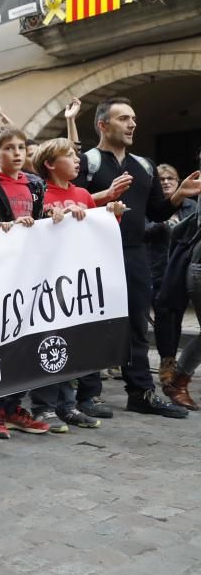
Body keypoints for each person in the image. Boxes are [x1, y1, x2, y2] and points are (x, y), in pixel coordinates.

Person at [71, 97, 201, 419]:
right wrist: (103, 199)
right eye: (124, 118)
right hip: (92, 256)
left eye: (134, 119)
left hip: (133, 254)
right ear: (103, 125)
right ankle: (89, 395)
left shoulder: (144, 165)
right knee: (94, 323)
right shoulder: (88, 162)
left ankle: (141, 393)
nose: (132, 124)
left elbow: (156, 211)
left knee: (137, 325)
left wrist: (178, 195)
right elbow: (70, 204)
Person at [0, 126, 50, 436]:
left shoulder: (36, 185)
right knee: (2, 340)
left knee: (27, 339)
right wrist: (8, 225)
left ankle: (16, 405)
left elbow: (41, 222)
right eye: (9, 148)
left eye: (21, 148)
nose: (17, 153)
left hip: (29, 272)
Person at [25, 139, 106, 431]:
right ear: (49, 163)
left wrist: (112, 215)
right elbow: (28, 229)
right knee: (48, 341)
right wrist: (46, 218)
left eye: (76, 155)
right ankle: (43, 406)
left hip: (76, 280)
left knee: (70, 342)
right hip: (45, 280)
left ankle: (67, 405)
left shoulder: (83, 193)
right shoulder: (38, 193)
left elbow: (100, 232)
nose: (77, 160)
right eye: (69, 155)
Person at [146, 163, 197, 386]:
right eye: (161, 179)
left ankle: (178, 366)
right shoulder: (152, 207)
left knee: (177, 315)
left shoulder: (192, 206)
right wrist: (164, 226)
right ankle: (168, 362)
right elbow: (140, 230)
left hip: (185, 270)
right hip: (157, 270)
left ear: (179, 182)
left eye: (171, 178)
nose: (166, 182)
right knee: (165, 316)